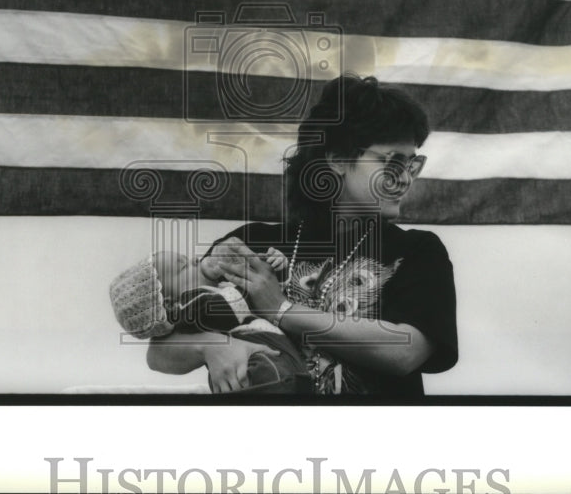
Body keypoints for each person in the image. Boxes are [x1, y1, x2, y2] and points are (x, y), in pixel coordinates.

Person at [147, 74, 458, 396]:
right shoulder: (251, 244)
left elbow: (405, 352)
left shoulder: (417, 250)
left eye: (412, 164)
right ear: (338, 159)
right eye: (393, 161)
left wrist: (280, 309)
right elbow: (159, 351)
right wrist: (211, 347)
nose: (405, 178)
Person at [109, 242, 310, 393]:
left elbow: (274, 298)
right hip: (261, 370)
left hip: (285, 362)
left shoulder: (220, 290)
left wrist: (274, 270)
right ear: (170, 304)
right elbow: (233, 306)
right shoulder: (192, 305)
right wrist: (245, 276)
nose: (196, 260)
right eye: (184, 266)